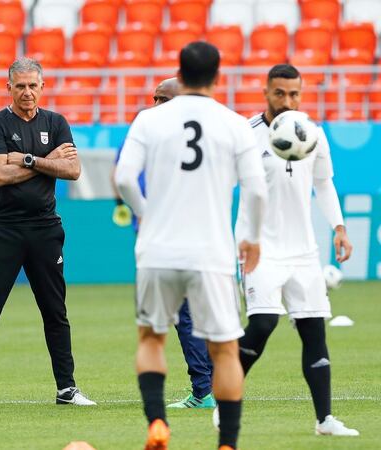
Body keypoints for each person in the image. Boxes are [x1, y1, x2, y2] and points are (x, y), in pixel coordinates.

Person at [116, 41, 267, 450]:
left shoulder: (149, 121)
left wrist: (147, 215)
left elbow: (125, 178)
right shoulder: (234, 124)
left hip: (158, 250)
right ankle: (228, 443)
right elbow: (255, 190)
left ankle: (158, 424)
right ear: (218, 78)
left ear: (179, 76)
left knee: (151, 339)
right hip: (211, 253)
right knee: (225, 351)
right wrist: (251, 237)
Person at [0, 57, 95, 409]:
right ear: (9, 88)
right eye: (20, 86)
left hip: (45, 229)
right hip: (4, 229)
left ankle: (67, 388)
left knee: (55, 311)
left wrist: (29, 159)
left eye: (33, 85)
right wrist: (48, 161)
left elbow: (74, 169)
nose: (27, 92)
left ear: (42, 87)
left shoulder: (56, 122)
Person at [234, 64, 359, 436]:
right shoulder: (246, 134)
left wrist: (339, 227)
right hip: (260, 248)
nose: (287, 101)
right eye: (279, 93)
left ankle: (325, 420)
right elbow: (224, 186)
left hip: (304, 251)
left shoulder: (313, 134)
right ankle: (226, 401)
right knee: (262, 323)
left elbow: (324, 184)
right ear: (266, 92)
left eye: (294, 94)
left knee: (314, 331)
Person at [111, 78, 215, 410]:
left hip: (168, 241)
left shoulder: (148, 136)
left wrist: (146, 215)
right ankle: (207, 387)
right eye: (155, 98)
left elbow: (124, 178)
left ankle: (204, 390)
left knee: (174, 318)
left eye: (163, 99)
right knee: (188, 314)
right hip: (180, 237)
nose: (156, 105)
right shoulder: (153, 134)